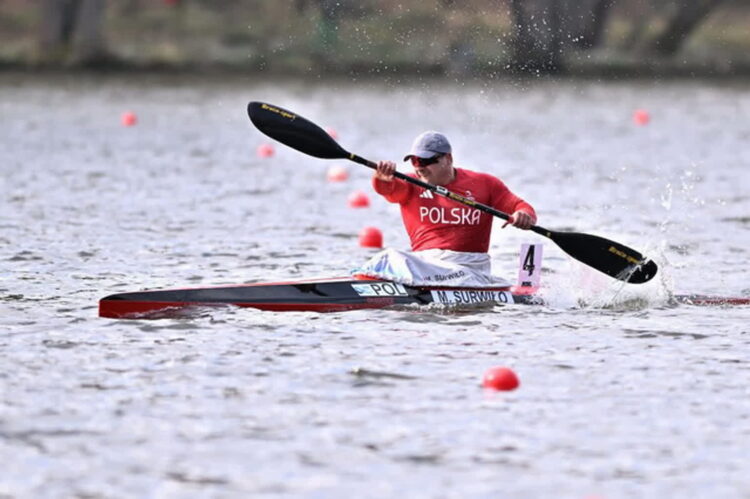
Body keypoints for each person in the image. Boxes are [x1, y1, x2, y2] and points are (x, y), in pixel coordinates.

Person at [353, 131, 537, 287]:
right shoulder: (410, 184)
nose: (419, 167)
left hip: (469, 270)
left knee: (390, 258)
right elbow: (387, 189)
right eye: (414, 161)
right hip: (424, 266)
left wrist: (523, 215)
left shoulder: (484, 184)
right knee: (388, 258)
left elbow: (520, 206)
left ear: (448, 158)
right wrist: (382, 178)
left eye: (425, 160)